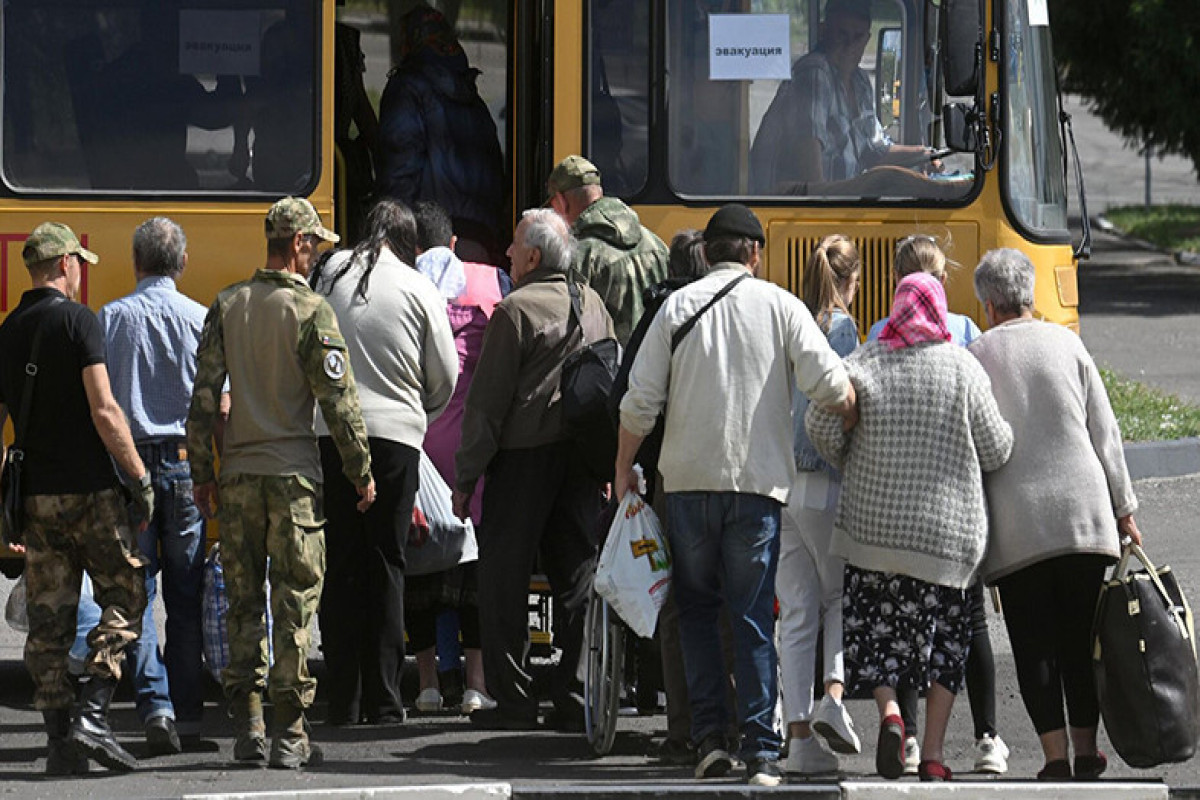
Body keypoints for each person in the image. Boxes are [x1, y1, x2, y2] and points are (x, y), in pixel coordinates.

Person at [616, 204, 857, 787]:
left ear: (707, 253)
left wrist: (622, 468)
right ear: (754, 253)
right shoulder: (780, 305)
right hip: (755, 491)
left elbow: (639, 401)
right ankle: (763, 751)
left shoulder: (676, 307)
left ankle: (708, 742)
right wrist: (853, 422)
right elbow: (832, 386)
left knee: (697, 613)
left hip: (688, 488)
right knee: (750, 618)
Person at [186, 197, 377, 769]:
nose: (316, 253)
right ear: (296, 244)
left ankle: (247, 729)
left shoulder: (227, 304)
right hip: (293, 478)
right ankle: (290, 735)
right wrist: (360, 472)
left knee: (242, 606)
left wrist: (203, 475)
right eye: (314, 244)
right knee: (293, 608)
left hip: (240, 477)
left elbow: (201, 402)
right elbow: (340, 404)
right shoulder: (311, 310)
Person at [806, 271, 1013, 782]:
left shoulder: (866, 362)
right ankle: (936, 754)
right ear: (940, 310)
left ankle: (892, 716)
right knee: (946, 642)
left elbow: (817, 424)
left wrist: (846, 455)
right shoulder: (962, 368)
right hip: (948, 540)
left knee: (876, 636)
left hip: (873, 533)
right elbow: (997, 447)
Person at [968, 248, 1142, 781]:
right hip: (1084, 519)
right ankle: (1089, 750)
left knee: (1033, 643)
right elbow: (1105, 433)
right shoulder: (1069, 343)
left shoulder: (977, 355)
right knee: (1079, 642)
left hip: (1019, 527)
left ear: (989, 304)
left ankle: (1055, 758)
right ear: (1029, 294)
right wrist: (1125, 510)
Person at [0, 222, 154, 774]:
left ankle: (60, 744)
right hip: (90, 493)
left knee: (48, 622)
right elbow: (105, 410)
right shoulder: (78, 321)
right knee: (126, 592)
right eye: (79, 263)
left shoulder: (8, 329)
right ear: (65, 264)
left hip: (36, 500)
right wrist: (138, 478)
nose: (81, 270)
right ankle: (93, 712)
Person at [452, 208, 614, 731]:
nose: (507, 254)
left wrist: (466, 478)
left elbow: (487, 406)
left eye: (515, 246)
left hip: (524, 460)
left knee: (504, 578)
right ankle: (575, 691)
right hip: (581, 460)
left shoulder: (514, 311)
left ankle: (515, 700)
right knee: (576, 576)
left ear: (535, 256)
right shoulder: (592, 303)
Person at [309, 198, 457, 727]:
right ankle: (387, 699)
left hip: (332, 436)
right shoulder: (419, 287)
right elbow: (445, 374)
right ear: (411, 244)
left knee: (341, 564)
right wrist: (417, 415)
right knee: (387, 565)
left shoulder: (328, 275)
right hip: (395, 440)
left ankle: (343, 698)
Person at [866, 234, 1005, 775]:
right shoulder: (966, 334)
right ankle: (986, 737)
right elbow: (988, 426)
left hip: (894, 508)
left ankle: (903, 733)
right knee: (967, 624)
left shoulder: (878, 336)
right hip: (954, 504)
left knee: (900, 624)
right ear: (942, 280)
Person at [71, 217, 212, 753]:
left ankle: (156, 707)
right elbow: (213, 400)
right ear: (182, 264)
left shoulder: (109, 320)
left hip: (129, 471)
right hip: (184, 464)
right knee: (186, 592)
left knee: (135, 592)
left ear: (136, 263)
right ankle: (192, 715)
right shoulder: (199, 318)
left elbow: (99, 404)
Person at [616, 229, 737, 766]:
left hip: (673, 476)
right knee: (734, 604)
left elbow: (629, 395)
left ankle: (685, 727)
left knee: (679, 604)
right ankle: (733, 722)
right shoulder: (741, 310)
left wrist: (625, 466)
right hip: (736, 473)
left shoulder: (663, 313)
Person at [408, 199, 505, 715]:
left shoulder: (397, 284)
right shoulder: (492, 281)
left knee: (421, 563)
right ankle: (475, 683)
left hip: (417, 447)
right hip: (472, 447)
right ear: (452, 245)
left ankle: (426, 683)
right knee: (472, 563)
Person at [780, 234, 862, 776]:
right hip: (825, 481)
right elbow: (842, 401)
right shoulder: (842, 328)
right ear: (852, 281)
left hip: (782, 484)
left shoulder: (789, 322)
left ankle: (798, 737)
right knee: (837, 598)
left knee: (797, 613)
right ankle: (833, 695)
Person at [749, 0, 936, 193]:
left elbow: (874, 150)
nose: (850, 45)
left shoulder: (860, 81)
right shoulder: (814, 72)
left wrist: (925, 155)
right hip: (792, 208)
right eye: (842, 35)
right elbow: (813, 182)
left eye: (857, 37)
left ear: (867, 39)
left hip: (836, 200)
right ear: (824, 32)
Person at [377, 3, 506, 263]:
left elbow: (400, 166)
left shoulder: (407, 89)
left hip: (429, 237)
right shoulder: (472, 97)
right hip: (481, 236)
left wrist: (392, 237)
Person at [546, 154, 669, 345]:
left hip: (608, 370)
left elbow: (570, 330)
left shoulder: (579, 256)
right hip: (652, 367)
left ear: (562, 201)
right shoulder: (656, 244)